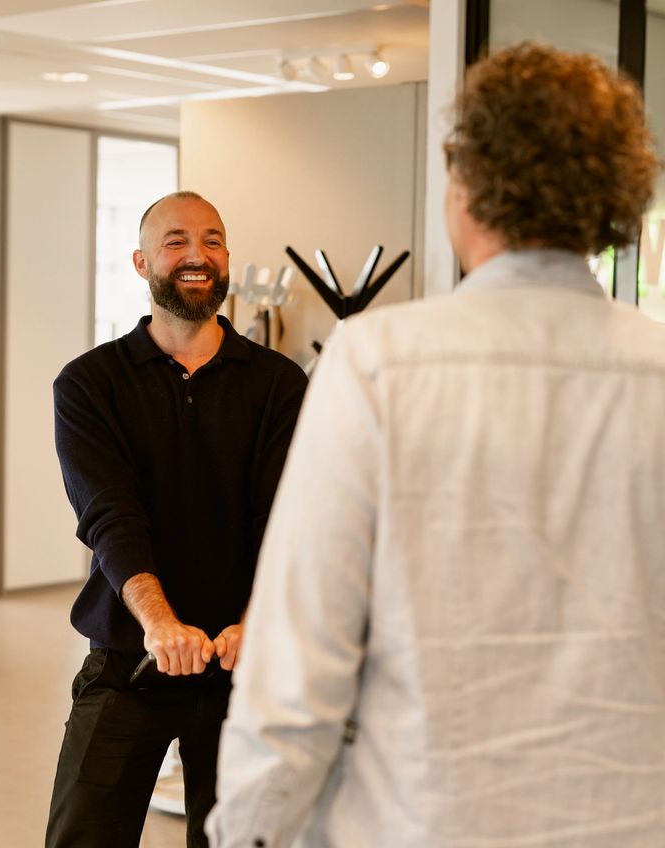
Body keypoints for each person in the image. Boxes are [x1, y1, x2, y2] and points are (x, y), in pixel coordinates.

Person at [207, 43, 665, 847]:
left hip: (423, 821)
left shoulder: (378, 363)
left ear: (466, 187)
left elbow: (300, 660)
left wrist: (249, 832)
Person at [45, 190, 307, 848]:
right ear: (141, 263)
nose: (198, 254)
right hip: (129, 659)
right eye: (176, 241)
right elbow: (111, 515)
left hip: (244, 667)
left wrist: (255, 619)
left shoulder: (279, 384)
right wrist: (160, 623)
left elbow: (285, 518)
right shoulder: (89, 383)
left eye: (213, 241)